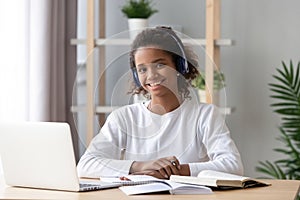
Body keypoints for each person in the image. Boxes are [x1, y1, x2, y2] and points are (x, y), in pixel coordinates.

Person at [77, 26, 243, 179]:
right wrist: (141, 166)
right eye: (142, 69)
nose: (151, 75)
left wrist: (175, 170)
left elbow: (233, 166)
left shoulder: (205, 115)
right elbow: (85, 165)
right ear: (136, 75)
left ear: (180, 66)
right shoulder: (123, 118)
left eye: (160, 64)